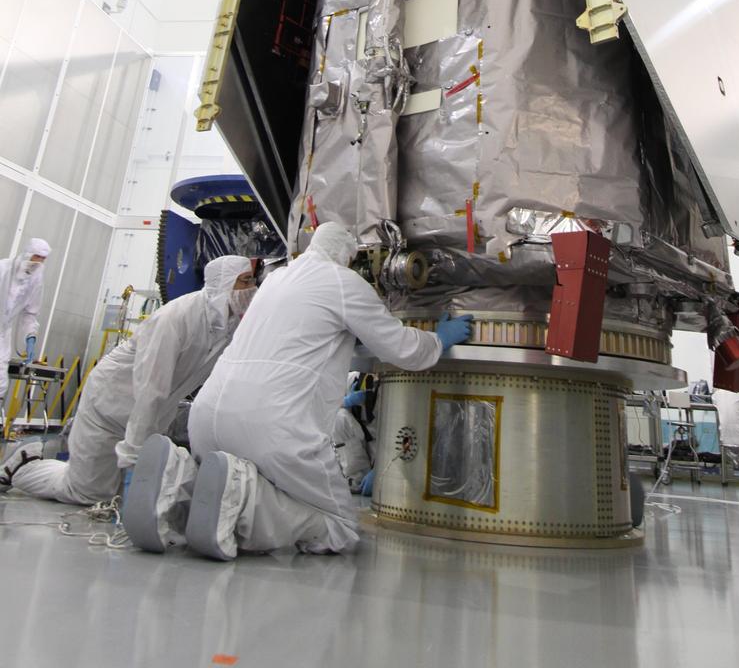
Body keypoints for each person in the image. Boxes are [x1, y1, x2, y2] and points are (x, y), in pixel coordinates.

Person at [124, 222, 473, 559]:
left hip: (206, 419)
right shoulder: (343, 282)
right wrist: (437, 340)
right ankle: (242, 499)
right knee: (340, 527)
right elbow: (397, 347)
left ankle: (178, 484)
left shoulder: (275, 280)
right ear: (348, 256)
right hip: (274, 426)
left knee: (238, 486)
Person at [2, 256, 256, 505]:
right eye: (245, 281)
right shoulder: (177, 317)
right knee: (86, 492)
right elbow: (151, 387)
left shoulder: (228, 327)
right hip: (109, 405)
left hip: (147, 414)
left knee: (112, 492)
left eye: (252, 281)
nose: (252, 288)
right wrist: (135, 452)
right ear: (223, 282)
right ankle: (24, 465)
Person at [0, 238, 51, 405]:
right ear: (28, 253)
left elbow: (30, 313)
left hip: (2, 333)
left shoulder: (36, 281)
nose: (39, 263)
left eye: (43, 259)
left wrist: (30, 336)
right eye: (37, 257)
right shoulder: (3, 268)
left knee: (1, 382)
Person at [333, 372, 378, 495]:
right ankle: (356, 477)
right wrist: (346, 402)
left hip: (382, 448)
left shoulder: (389, 391)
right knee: (338, 417)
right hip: (359, 443)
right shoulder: (351, 380)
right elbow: (327, 406)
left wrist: (378, 470)